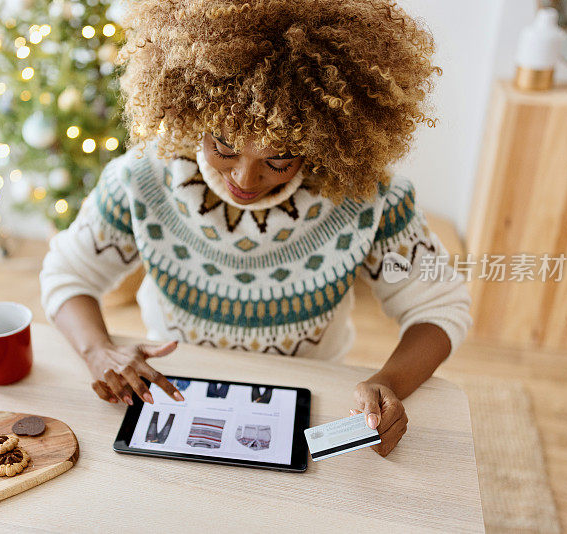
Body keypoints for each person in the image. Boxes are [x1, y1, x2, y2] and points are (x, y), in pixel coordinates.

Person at [40, 0, 472, 457]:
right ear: (193, 113)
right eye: (224, 147)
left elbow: (439, 307)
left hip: (309, 400)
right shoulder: (143, 179)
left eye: (279, 158)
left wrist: (389, 383)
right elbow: (68, 274)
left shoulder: (369, 199)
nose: (244, 181)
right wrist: (97, 351)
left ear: (323, 140)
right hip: (175, 393)